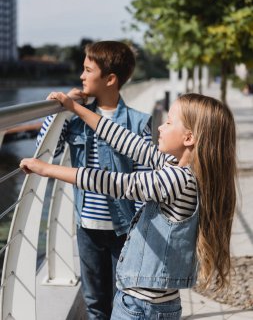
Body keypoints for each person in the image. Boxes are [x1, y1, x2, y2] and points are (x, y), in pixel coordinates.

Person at [20, 92, 237, 320]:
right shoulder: (175, 167)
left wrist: (46, 169)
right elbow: (126, 140)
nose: (161, 127)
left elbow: (118, 183)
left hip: (142, 309)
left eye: (169, 122)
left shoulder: (177, 180)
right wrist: (74, 107)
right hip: (145, 304)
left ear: (189, 138)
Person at [36, 41, 152, 320]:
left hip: (124, 231)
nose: (81, 76)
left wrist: (139, 234)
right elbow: (46, 153)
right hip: (87, 227)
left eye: (88, 70)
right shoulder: (75, 120)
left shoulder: (138, 123)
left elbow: (145, 180)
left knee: (124, 300)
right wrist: (62, 110)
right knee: (94, 303)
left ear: (110, 79)